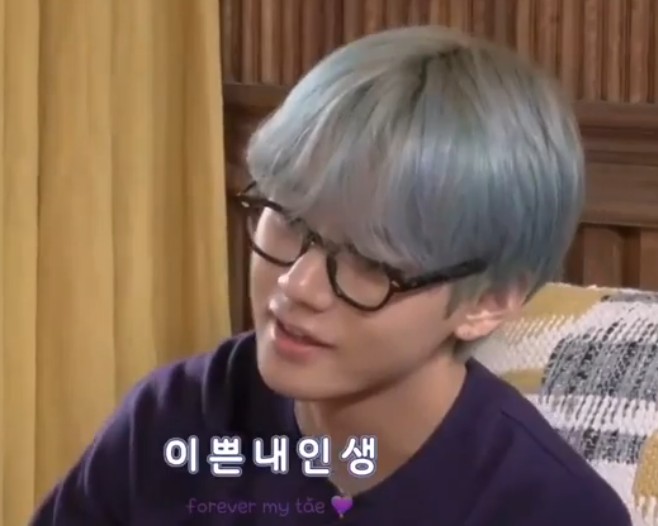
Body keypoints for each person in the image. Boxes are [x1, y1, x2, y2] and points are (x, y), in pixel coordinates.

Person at [31, 25, 631, 526]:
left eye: (370, 261)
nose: (297, 286)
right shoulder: (177, 420)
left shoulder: (551, 510)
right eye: (290, 220)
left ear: (490, 301)